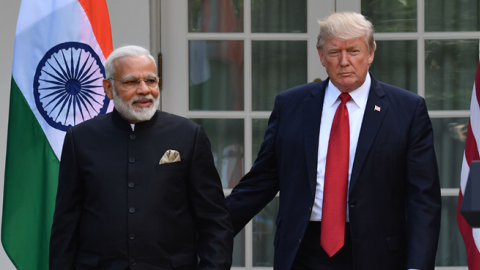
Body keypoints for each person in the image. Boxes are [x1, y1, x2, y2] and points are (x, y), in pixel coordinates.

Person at [226, 12, 441, 270]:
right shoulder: (291, 105)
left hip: (378, 255)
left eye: (354, 50)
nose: (344, 62)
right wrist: (207, 229)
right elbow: (260, 181)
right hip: (303, 251)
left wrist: (418, 266)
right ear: (321, 56)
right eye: (334, 53)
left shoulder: (407, 109)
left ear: (370, 53)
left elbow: (423, 199)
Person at [49, 45, 233, 270]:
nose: (144, 90)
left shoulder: (189, 135)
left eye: (151, 80)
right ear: (108, 88)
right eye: (131, 82)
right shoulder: (80, 139)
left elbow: (214, 222)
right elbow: (65, 224)